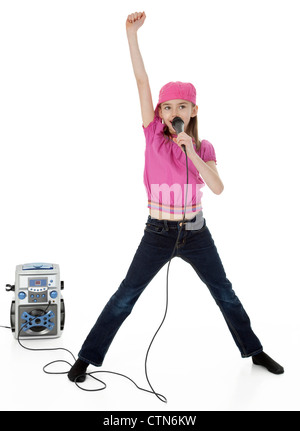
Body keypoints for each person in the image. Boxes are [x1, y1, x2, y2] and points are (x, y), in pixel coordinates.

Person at [68, 11, 283, 383]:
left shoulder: (203, 145)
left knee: (224, 292)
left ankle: (254, 350)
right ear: (160, 113)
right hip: (158, 233)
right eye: (167, 107)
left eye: (181, 106)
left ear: (193, 111)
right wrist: (131, 36)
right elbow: (140, 80)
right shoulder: (152, 134)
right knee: (126, 296)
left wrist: (191, 151)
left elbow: (217, 187)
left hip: (196, 233)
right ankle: (87, 357)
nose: (172, 112)